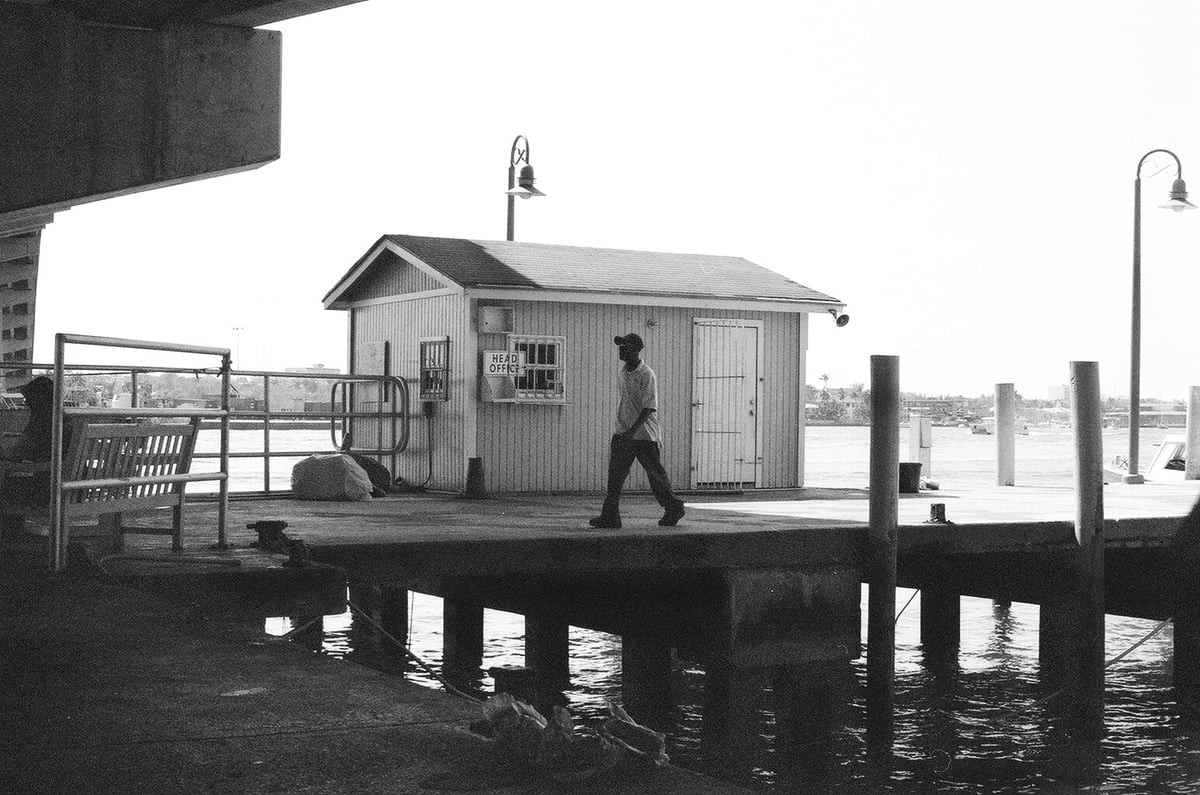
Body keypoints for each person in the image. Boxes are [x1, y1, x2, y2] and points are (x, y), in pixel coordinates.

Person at [589, 333, 685, 529]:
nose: (621, 349)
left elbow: (649, 407)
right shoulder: (623, 373)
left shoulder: (646, 374)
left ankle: (673, 506)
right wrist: (623, 430)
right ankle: (610, 517)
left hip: (644, 435)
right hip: (623, 433)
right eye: (620, 346)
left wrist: (632, 430)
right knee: (615, 477)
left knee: (655, 475)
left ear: (636, 349)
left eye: (625, 346)